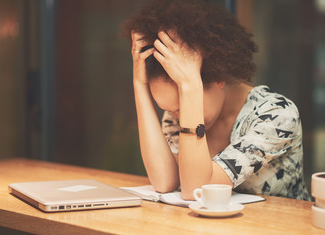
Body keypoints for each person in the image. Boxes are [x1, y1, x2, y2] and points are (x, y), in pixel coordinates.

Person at [121, 0, 310, 201]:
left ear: (218, 76)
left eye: (182, 102)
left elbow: (196, 190)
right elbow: (164, 182)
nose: (177, 116)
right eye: (171, 109)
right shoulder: (175, 115)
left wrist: (190, 85)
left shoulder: (277, 115)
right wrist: (139, 85)